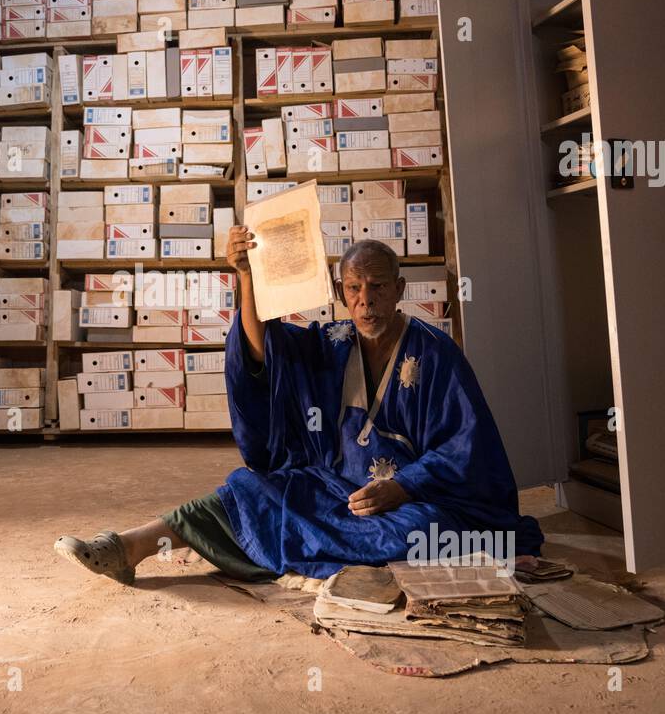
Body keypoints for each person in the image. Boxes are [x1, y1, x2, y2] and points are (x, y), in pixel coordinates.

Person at [54, 224, 544, 585]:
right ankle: (128, 547)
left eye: (378, 287)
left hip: (411, 504)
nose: (366, 300)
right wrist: (247, 278)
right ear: (340, 293)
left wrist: (403, 487)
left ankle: (292, 548)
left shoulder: (436, 355)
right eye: (354, 288)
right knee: (253, 491)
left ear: (400, 289)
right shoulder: (330, 341)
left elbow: (467, 450)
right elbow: (265, 350)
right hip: (333, 486)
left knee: (423, 534)